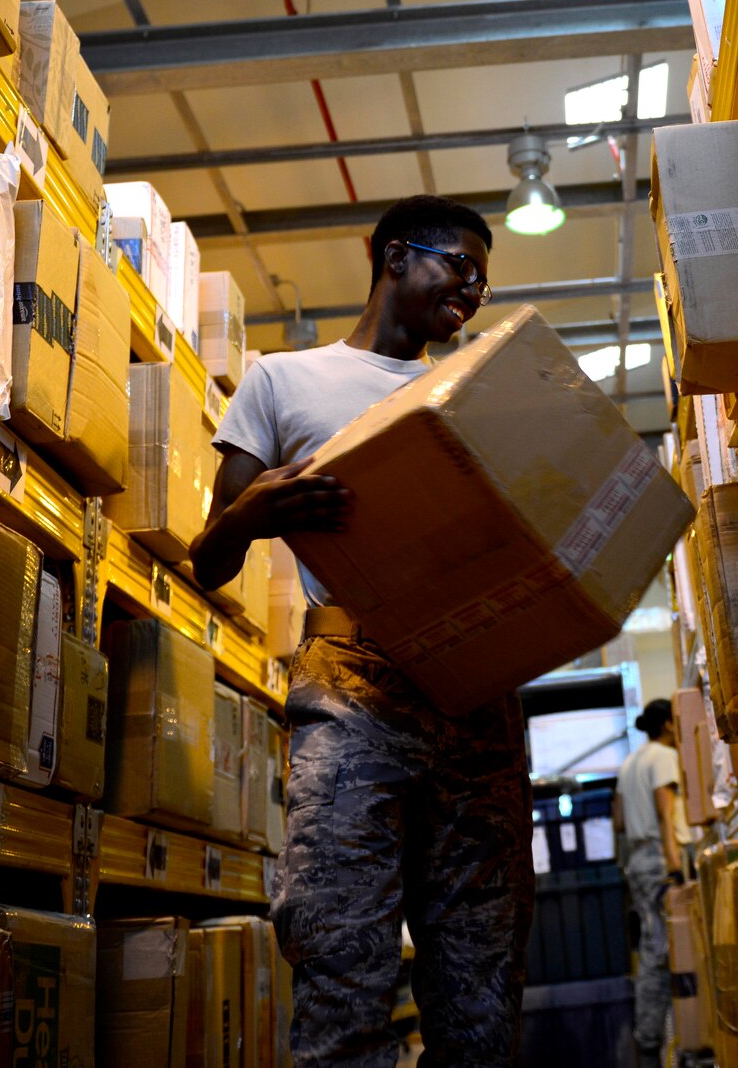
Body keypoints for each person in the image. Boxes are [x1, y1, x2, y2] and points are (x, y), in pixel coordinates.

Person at [190, 195, 535, 1068]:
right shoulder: (283, 379)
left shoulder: (475, 395)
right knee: (341, 953)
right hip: (355, 692)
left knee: (480, 985)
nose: (473, 288)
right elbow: (207, 560)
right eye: (459, 265)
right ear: (391, 255)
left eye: (483, 280)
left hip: (477, 694)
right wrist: (252, 510)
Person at [613, 698, 682, 1068]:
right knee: (662, 951)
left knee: (652, 949)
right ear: (669, 725)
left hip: (637, 862)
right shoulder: (664, 757)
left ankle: (655, 1038)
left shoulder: (629, 762)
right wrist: (674, 864)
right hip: (658, 859)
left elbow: (620, 821)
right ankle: (653, 1042)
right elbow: (665, 811)